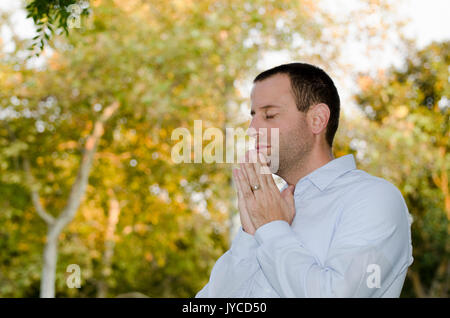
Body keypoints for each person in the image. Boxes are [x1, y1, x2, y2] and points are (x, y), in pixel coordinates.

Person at [196, 63, 413, 297]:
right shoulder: (271, 207)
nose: (252, 129)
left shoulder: (374, 199)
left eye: (269, 115)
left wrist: (271, 230)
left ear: (317, 119)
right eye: (253, 116)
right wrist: (250, 236)